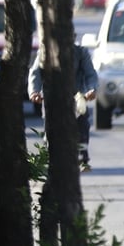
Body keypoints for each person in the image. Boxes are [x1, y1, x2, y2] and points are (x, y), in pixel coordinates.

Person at [28, 43, 98, 171]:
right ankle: (51, 158)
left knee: (82, 124)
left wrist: (91, 89)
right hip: (52, 96)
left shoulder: (81, 53)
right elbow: (35, 73)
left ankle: (82, 158)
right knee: (51, 130)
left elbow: (90, 74)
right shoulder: (45, 52)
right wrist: (34, 91)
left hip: (76, 96)